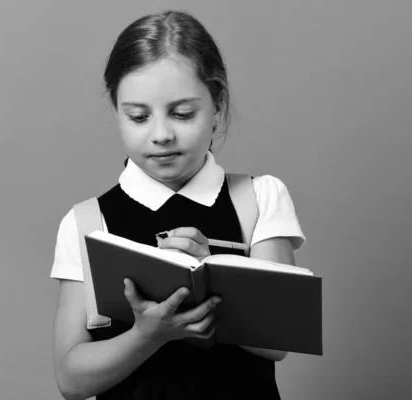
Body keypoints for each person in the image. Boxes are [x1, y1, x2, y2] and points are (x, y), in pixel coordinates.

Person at [50, 10, 306, 400]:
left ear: (217, 105)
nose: (161, 135)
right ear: (116, 110)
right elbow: (72, 380)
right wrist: (147, 334)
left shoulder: (257, 199)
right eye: (138, 117)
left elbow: (279, 341)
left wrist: (214, 283)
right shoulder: (87, 222)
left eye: (182, 113)